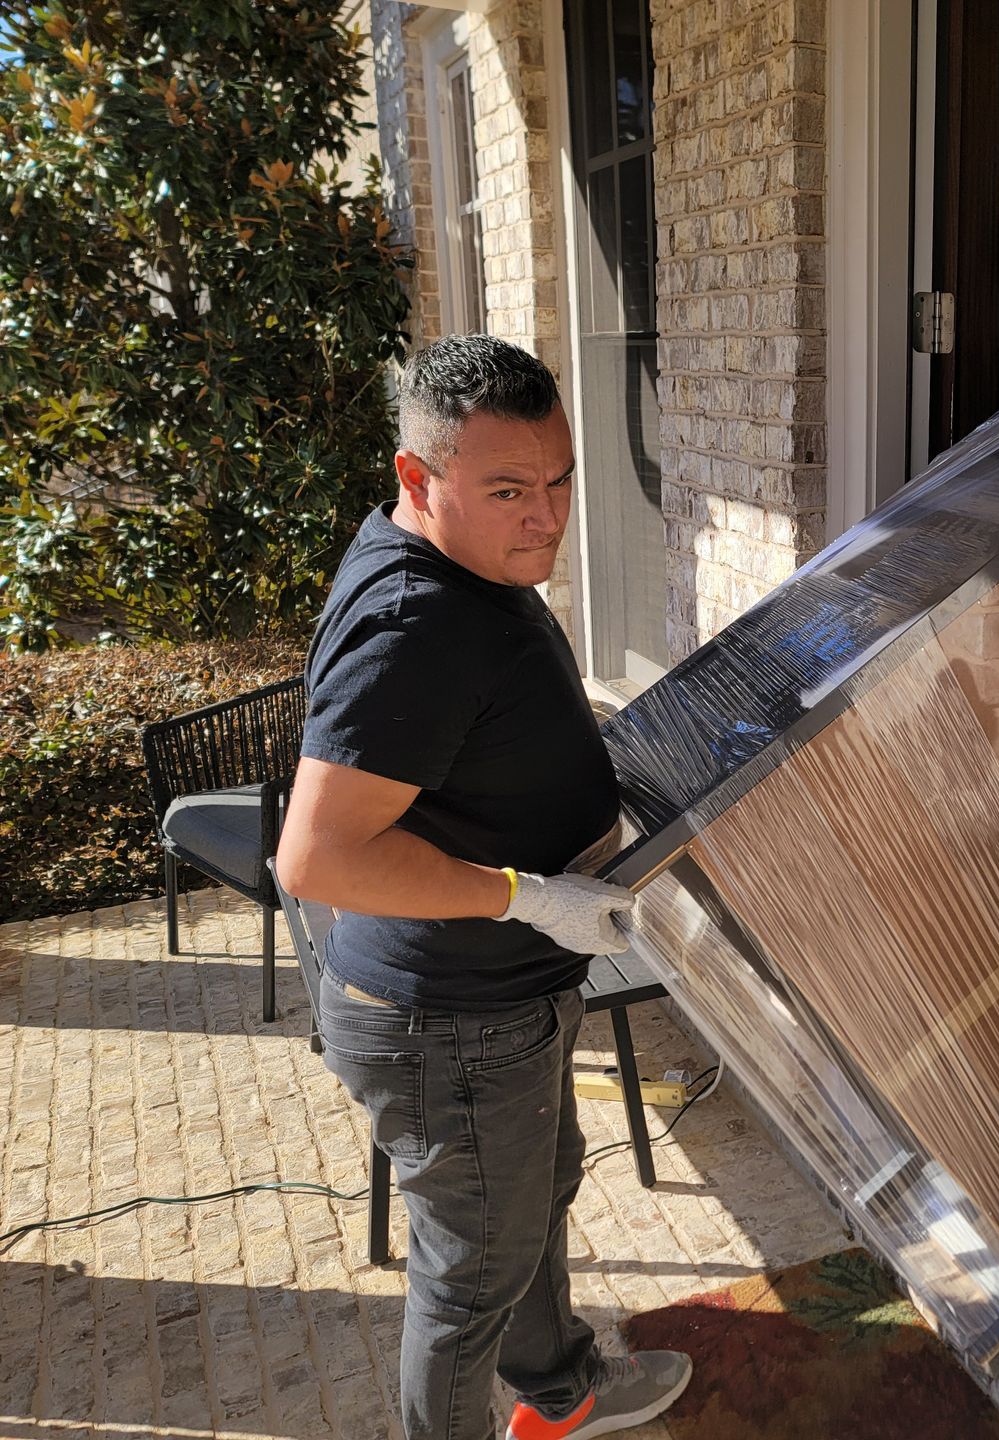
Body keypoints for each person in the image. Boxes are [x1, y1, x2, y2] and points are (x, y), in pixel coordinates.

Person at [276, 335, 692, 1440]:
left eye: (559, 482)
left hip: (498, 999)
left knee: (530, 1206)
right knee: (469, 1284)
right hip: (449, 1021)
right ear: (419, 479)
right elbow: (314, 857)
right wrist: (524, 894)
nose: (548, 517)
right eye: (509, 490)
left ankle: (561, 1397)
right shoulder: (413, 626)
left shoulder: (464, 565)